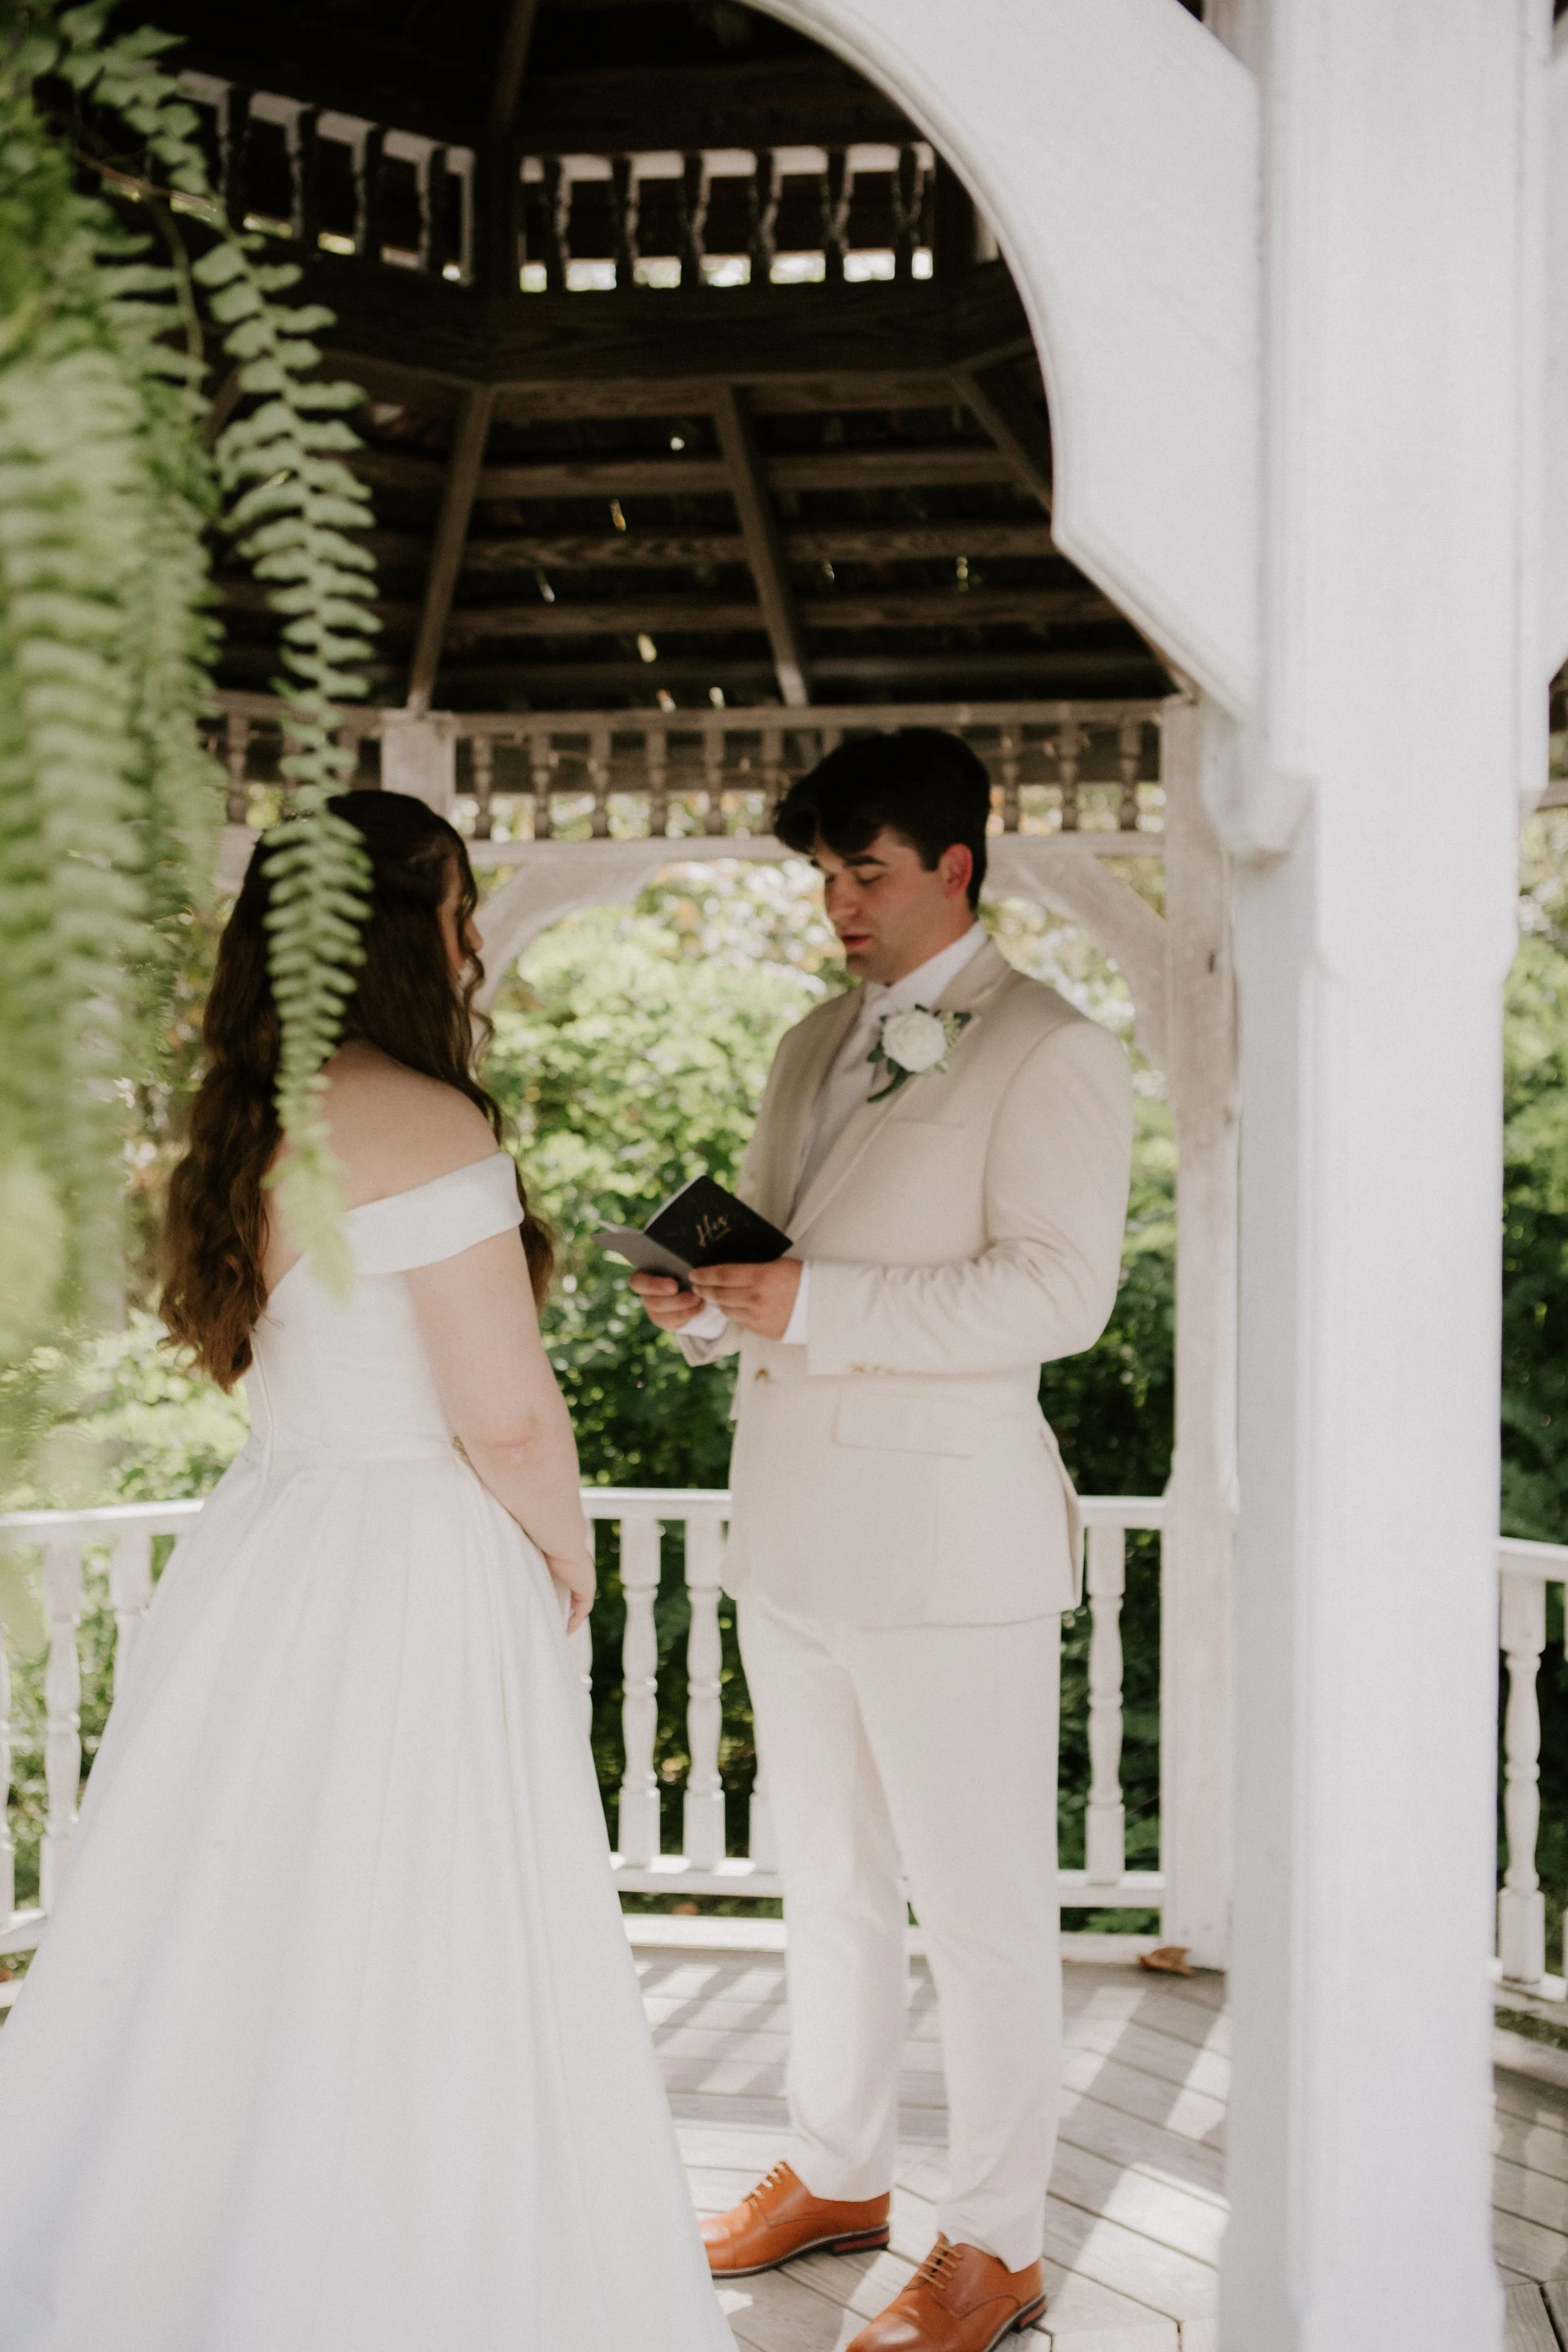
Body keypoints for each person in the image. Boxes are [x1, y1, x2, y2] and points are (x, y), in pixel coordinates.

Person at [0, 791, 732, 2352]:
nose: (476, 942)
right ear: (413, 926)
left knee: (244, 1924)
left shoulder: (247, 1116)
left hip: (276, 1548)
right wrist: (568, 1557)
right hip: (409, 1560)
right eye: (462, 909)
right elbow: (507, 1412)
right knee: (436, 1922)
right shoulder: (426, 1120)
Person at [633, 730, 1134, 2352]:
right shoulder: (805, 1041)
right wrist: (703, 1303)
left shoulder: (1050, 1046)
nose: (837, 902)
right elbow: (777, 1262)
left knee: (978, 1912)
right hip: (792, 1537)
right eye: (823, 874)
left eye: (866, 871)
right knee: (829, 1881)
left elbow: (1060, 1292)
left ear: (954, 869)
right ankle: (838, 2167)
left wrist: (816, 1301)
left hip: (949, 1548)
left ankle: (995, 2242)